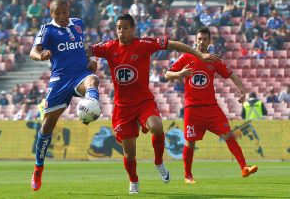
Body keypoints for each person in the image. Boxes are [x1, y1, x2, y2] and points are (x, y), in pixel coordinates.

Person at [88, 14, 219, 194]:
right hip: (122, 107)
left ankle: (158, 162)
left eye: (125, 27)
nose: (121, 31)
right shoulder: (109, 47)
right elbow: (86, 50)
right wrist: (91, 60)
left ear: (133, 29)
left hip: (143, 102)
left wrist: (198, 54)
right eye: (119, 27)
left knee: (157, 127)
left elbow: (172, 43)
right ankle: (133, 181)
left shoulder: (143, 44)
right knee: (130, 154)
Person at [164, 27, 258, 184]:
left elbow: (231, 74)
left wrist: (242, 90)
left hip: (211, 108)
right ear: (195, 40)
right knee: (190, 142)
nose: (201, 42)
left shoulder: (213, 59)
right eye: (199, 39)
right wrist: (180, 74)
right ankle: (188, 175)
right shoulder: (186, 57)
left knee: (228, 134)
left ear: (209, 41)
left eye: (205, 39)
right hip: (192, 109)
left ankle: (244, 167)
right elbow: (167, 75)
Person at [29, 0, 99, 191]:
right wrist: (40, 55)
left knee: (93, 80)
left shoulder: (77, 23)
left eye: (64, 12)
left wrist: (91, 57)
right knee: (47, 125)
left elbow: (84, 47)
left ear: (69, 11)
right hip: (60, 81)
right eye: (57, 13)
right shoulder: (46, 29)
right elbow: (33, 52)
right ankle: (38, 168)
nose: (61, 16)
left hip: (80, 74)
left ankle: (91, 106)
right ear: (51, 14)